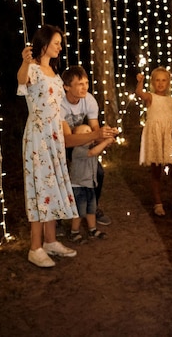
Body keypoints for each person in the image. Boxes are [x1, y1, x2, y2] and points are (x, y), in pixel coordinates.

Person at [17, 24, 78, 268]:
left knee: (53, 186)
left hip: (54, 137)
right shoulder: (33, 69)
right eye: (56, 43)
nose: (60, 47)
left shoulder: (53, 71)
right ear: (44, 45)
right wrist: (24, 62)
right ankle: (35, 247)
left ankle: (51, 241)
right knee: (40, 188)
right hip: (38, 137)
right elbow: (22, 82)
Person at [59, 65, 118, 226]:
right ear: (67, 87)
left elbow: (95, 129)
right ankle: (61, 214)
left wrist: (106, 134)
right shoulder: (59, 103)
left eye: (86, 82)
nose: (85, 87)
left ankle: (92, 208)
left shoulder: (89, 100)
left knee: (97, 172)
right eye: (79, 84)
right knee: (63, 176)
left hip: (82, 140)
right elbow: (67, 140)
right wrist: (95, 136)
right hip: (59, 144)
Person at [135, 67, 172, 217]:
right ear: (153, 82)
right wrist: (140, 82)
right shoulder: (150, 97)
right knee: (156, 171)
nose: (161, 83)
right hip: (156, 136)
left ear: (168, 83)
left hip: (168, 136)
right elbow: (139, 93)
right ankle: (158, 203)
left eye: (164, 80)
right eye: (157, 80)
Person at [68, 124, 114, 242]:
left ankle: (92, 229)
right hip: (79, 186)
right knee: (79, 211)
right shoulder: (77, 150)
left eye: (90, 132)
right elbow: (92, 153)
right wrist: (105, 143)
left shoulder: (91, 147)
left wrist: (109, 137)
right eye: (86, 133)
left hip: (89, 185)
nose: (90, 134)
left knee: (91, 209)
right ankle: (74, 231)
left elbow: (98, 148)